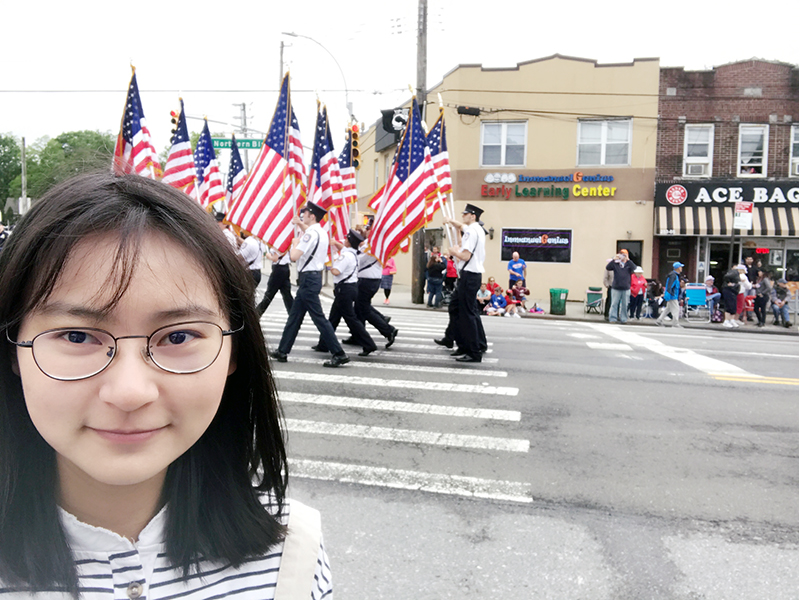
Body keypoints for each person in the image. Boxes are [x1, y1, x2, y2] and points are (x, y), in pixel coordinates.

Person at [0, 173, 332, 598]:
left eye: (178, 337)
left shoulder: (292, 553)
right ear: (14, 352)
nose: (130, 392)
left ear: (234, 352)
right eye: (78, 336)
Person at [270, 201, 350, 367]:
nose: (302, 215)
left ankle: (338, 353)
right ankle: (282, 351)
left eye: (305, 213)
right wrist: (300, 224)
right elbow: (310, 234)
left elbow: (293, 256)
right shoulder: (320, 232)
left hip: (308, 279)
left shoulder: (308, 235)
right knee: (295, 316)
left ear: (312, 216)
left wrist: (294, 244)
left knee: (319, 318)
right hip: (313, 278)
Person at [313, 228, 377, 357]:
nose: (345, 241)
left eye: (346, 239)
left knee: (351, 319)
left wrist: (331, 265)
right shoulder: (352, 253)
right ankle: (324, 343)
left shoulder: (346, 256)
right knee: (333, 318)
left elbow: (336, 271)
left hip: (345, 289)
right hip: (349, 288)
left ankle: (369, 344)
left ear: (349, 242)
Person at [434, 203, 486, 362]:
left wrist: (453, 251)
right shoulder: (476, 229)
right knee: (455, 306)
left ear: (473, 216)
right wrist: (451, 221)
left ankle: (473, 351)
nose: (463, 216)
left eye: (465, 214)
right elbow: (462, 225)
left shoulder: (472, 231)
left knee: (467, 313)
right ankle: (463, 343)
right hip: (470, 275)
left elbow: (465, 256)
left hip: (470, 275)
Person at [353, 234, 398, 349]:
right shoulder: (373, 245)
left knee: (363, 309)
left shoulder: (373, 247)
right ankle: (357, 335)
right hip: (368, 280)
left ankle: (388, 330)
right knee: (359, 308)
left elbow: (359, 261)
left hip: (368, 281)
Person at [256, 246, 294, 316]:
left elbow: (275, 258)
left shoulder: (279, 243)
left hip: (278, 269)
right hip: (285, 268)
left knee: (269, 295)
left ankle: (256, 315)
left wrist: (267, 254)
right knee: (287, 295)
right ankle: (294, 317)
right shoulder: (288, 244)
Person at [606, 251, 637, 324]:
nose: (622, 256)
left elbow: (635, 268)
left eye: (624, 255)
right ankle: (613, 318)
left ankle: (624, 319)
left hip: (626, 288)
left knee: (625, 305)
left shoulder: (629, 264)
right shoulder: (616, 264)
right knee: (614, 304)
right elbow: (608, 267)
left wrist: (628, 259)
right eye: (621, 254)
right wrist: (614, 259)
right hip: (616, 287)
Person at [656, 262, 683, 328]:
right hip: (673, 295)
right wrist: (669, 293)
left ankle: (659, 320)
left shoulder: (673, 275)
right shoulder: (674, 276)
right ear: (678, 268)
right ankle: (675, 324)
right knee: (676, 309)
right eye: (681, 267)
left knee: (668, 309)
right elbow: (670, 286)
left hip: (671, 295)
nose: (681, 268)